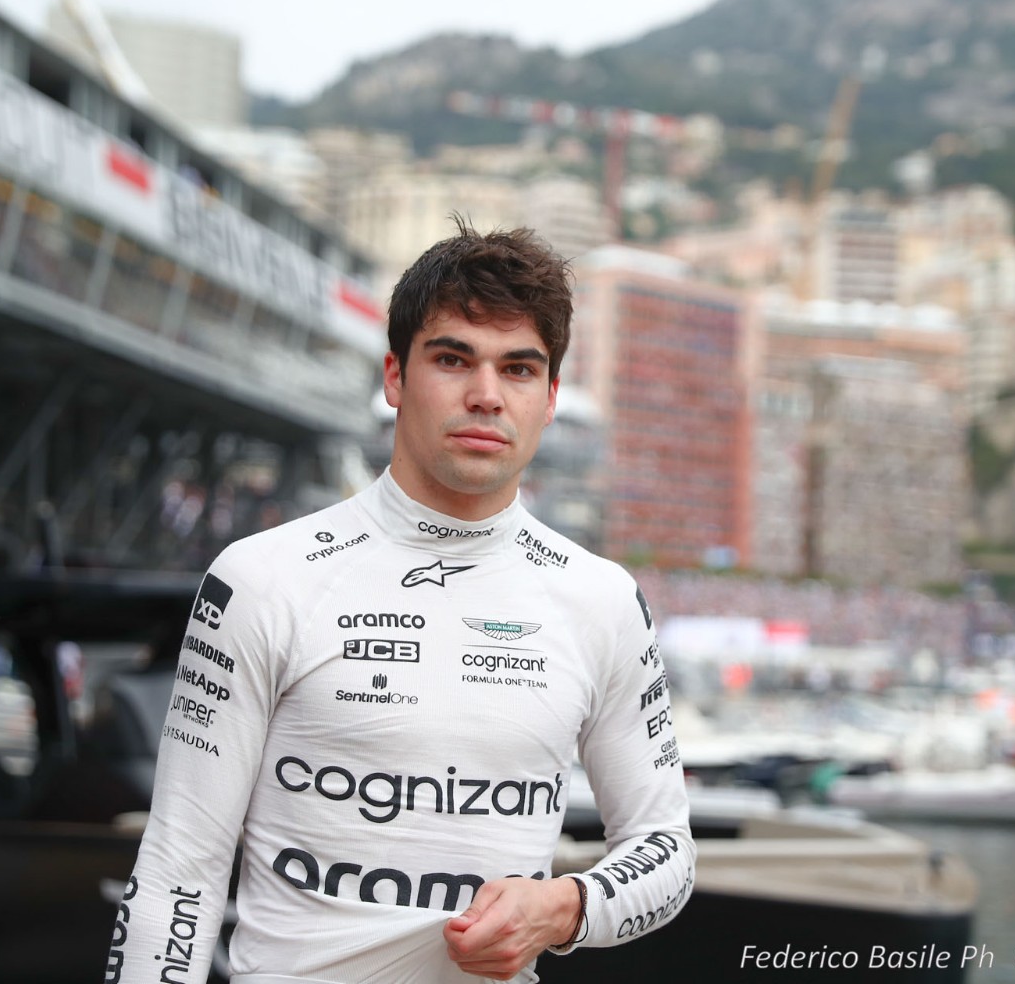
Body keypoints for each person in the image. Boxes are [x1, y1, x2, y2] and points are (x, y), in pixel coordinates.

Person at [107, 221, 694, 984]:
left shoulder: (601, 599)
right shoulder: (259, 577)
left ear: (550, 399)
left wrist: (566, 907)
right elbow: (179, 865)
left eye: (518, 369)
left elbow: (666, 852)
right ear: (394, 377)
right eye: (454, 360)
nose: (486, 396)